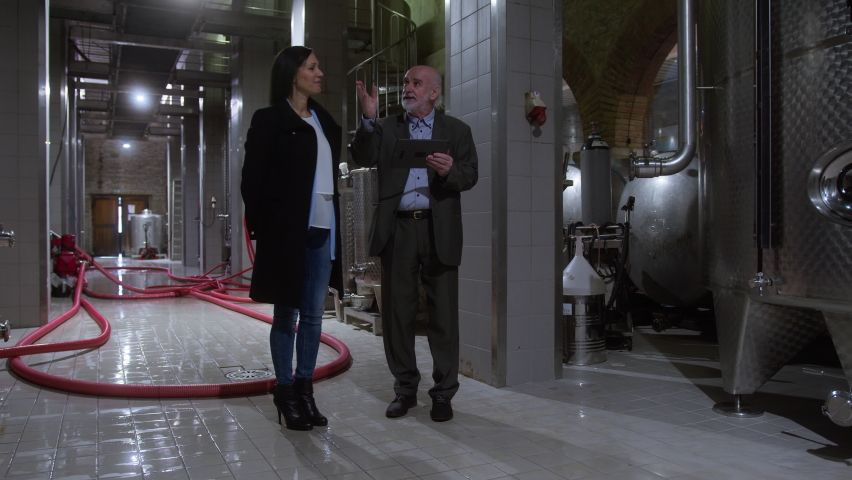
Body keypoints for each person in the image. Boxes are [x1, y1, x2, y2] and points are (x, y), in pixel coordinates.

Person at [351, 66, 478, 422]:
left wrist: (449, 170)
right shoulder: (386, 127)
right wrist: (368, 119)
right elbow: (362, 157)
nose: (407, 88)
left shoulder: (457, 130)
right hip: (399, 229)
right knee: (398, 314)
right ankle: (405, 389)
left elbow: (470, 175)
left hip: (440, 229)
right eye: (406, 82)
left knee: (444, 316)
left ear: (433, 92)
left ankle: (443, 393)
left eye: (416, 83)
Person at [241, 46, 343, 431]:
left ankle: (305, 389)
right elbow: (252, 180)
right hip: (287, 233)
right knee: (287, 313)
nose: (320, 73)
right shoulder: (270, 119)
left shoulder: (323, 119)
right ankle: (284, 390)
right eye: (312, 67)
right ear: (293, 73)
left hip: (322, 229)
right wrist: (267, 228)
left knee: (314, 315)